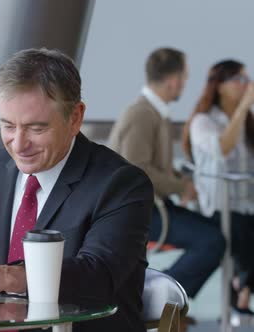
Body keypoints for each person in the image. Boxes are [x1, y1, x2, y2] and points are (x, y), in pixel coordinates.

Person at [0, 48, 154, 332]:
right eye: (8, 126)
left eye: (36, 129)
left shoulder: (121, 184)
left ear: (75, 118)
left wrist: (10, 276)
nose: (18, 144)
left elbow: (98, 277)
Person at [109, 47, 225, 300]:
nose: (185, 83)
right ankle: (157, 300)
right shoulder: (141, 114)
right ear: (173, 81)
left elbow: (153, 166)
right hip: (135, 214)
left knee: (218, 229)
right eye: (185, 77)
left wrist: (181, 183)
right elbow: (137, 171)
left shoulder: (154, 112)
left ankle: (168, 302)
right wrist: (181, 188)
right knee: (212, 240)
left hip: (151, 207)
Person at [182, 59, 254, 314]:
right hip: (219, 209)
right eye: (239, 80)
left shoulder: (249, 123)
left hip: (247, 206)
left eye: (247, 79)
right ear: (220, 86)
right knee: (244, 230)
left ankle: (243, 286)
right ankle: (242, 288)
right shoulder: (203, 121)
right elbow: (221, 148)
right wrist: (244, 106)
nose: (246, 85)